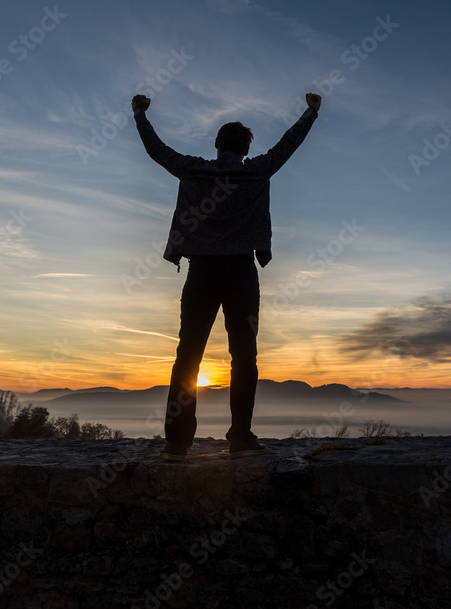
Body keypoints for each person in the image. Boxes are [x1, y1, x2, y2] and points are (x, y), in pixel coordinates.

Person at [131, 91, 322, 460]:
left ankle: (176, 443)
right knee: (244, 356)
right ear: (245, 150)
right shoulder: (256, 171)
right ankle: (240, 437)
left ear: (216, 145)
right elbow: (288, 144)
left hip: (201, 271)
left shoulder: (193, 169)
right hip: (241, 273)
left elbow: (156, 149)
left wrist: (140, 114)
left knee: (188, 355)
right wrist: (310, 113)